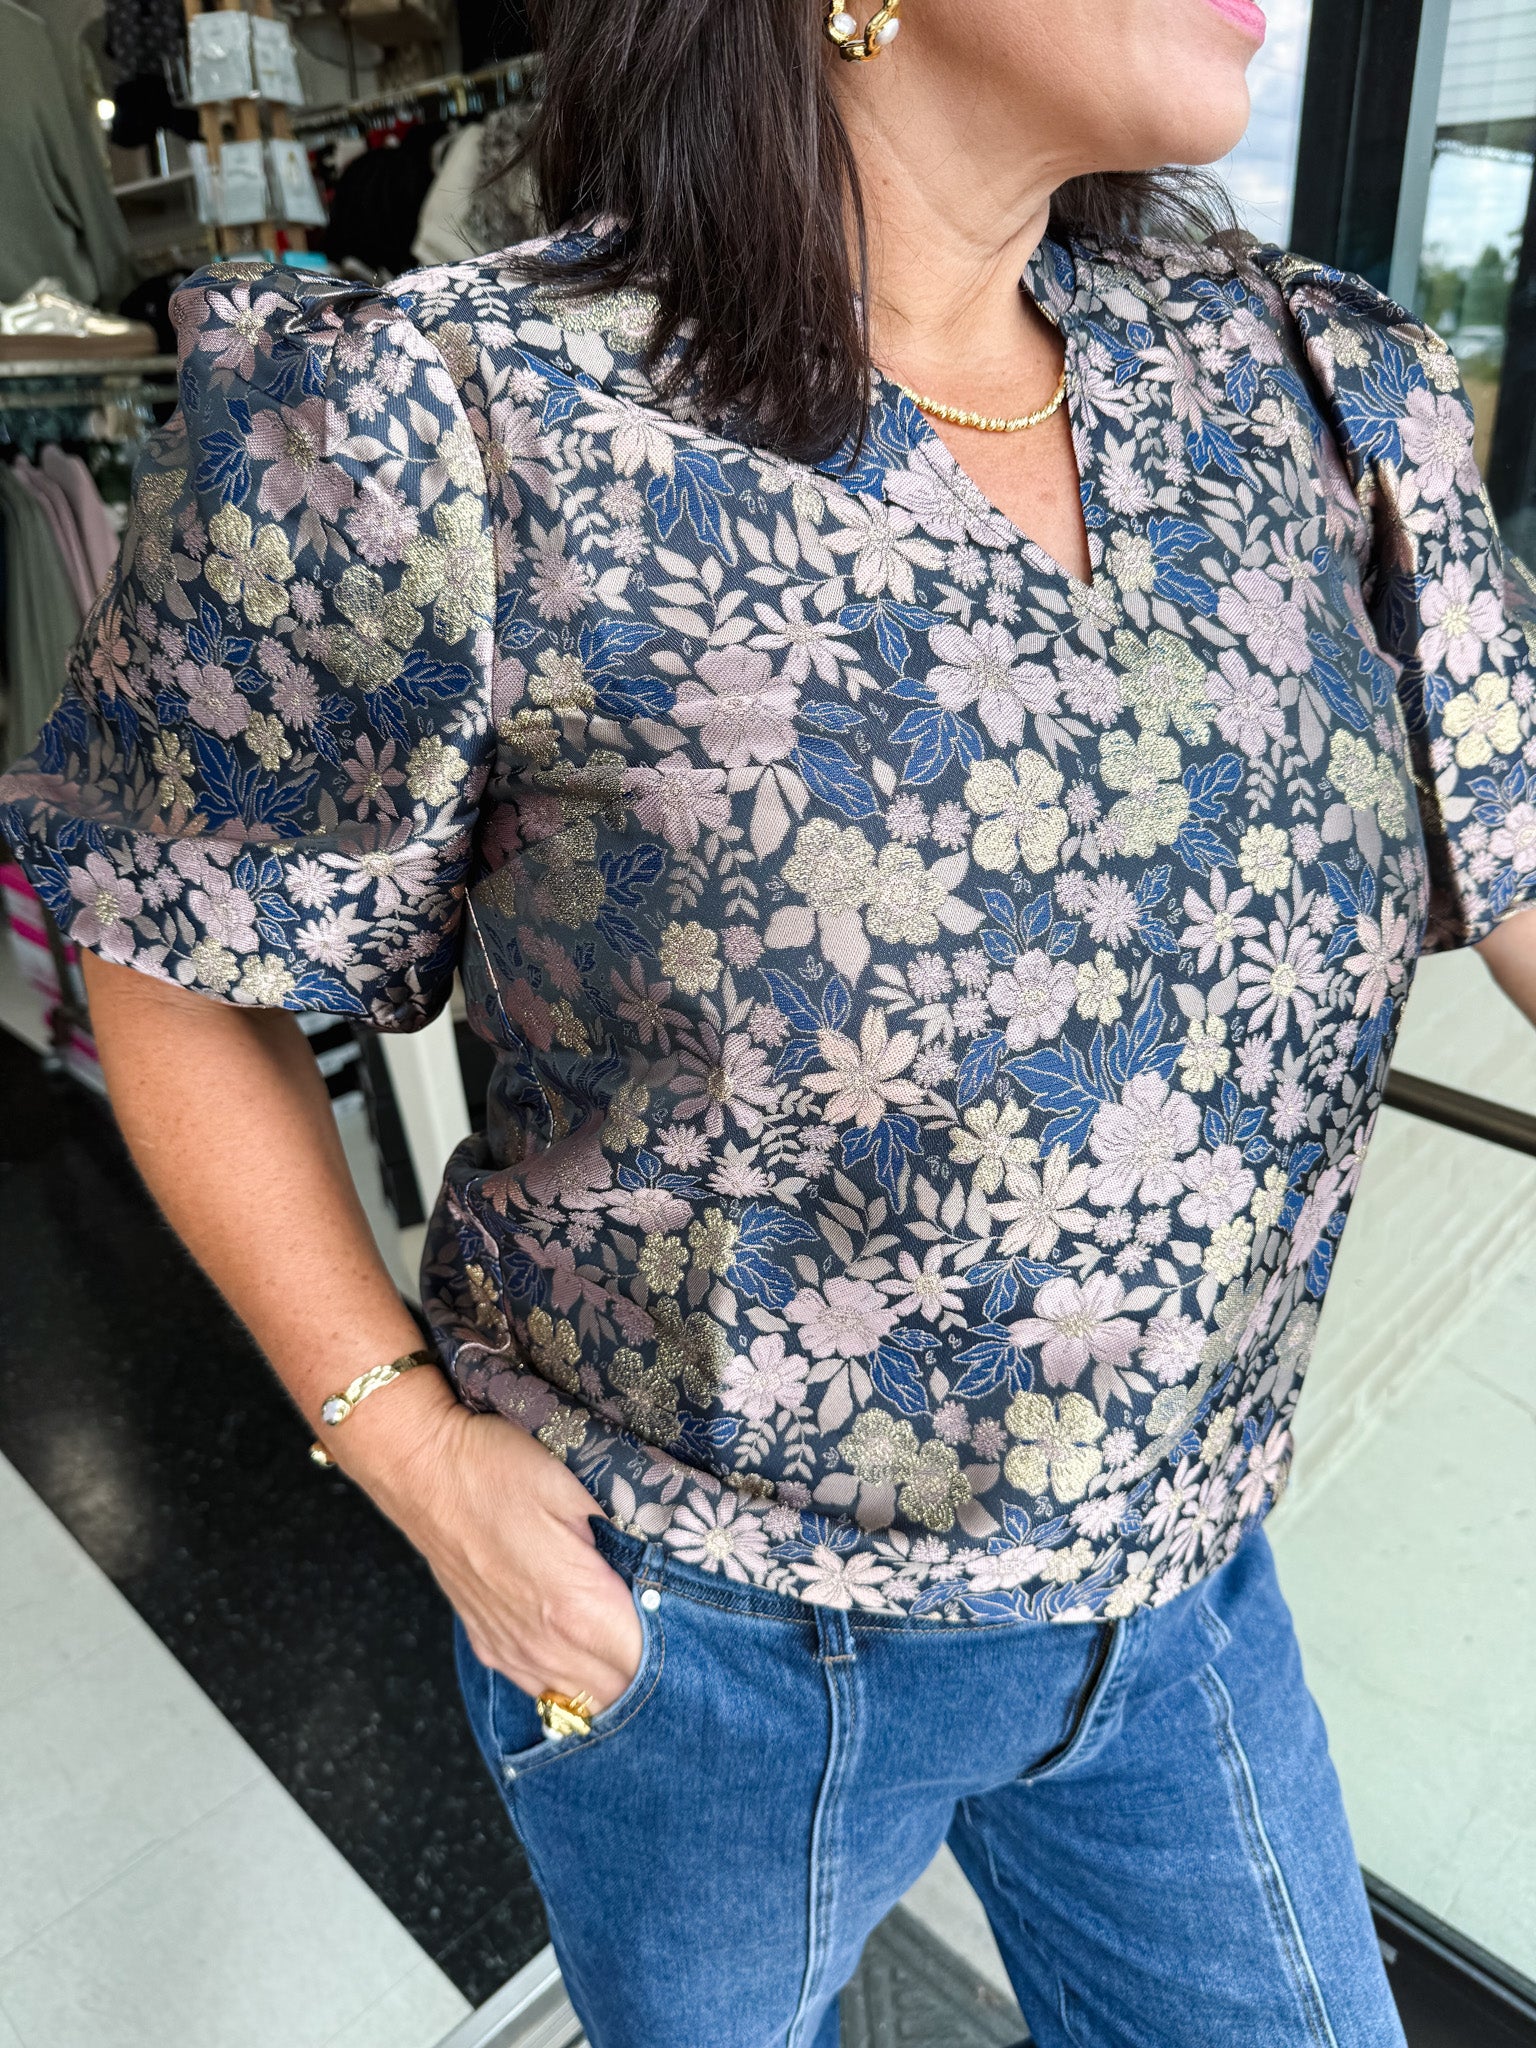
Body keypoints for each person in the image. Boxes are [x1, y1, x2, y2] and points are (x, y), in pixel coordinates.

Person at [4, 0, 1536, 2041]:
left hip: (1179, 1591)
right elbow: (174, 938)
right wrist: (407, 1450)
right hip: (710, 1629)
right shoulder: (457, 411)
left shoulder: (1314, 395)